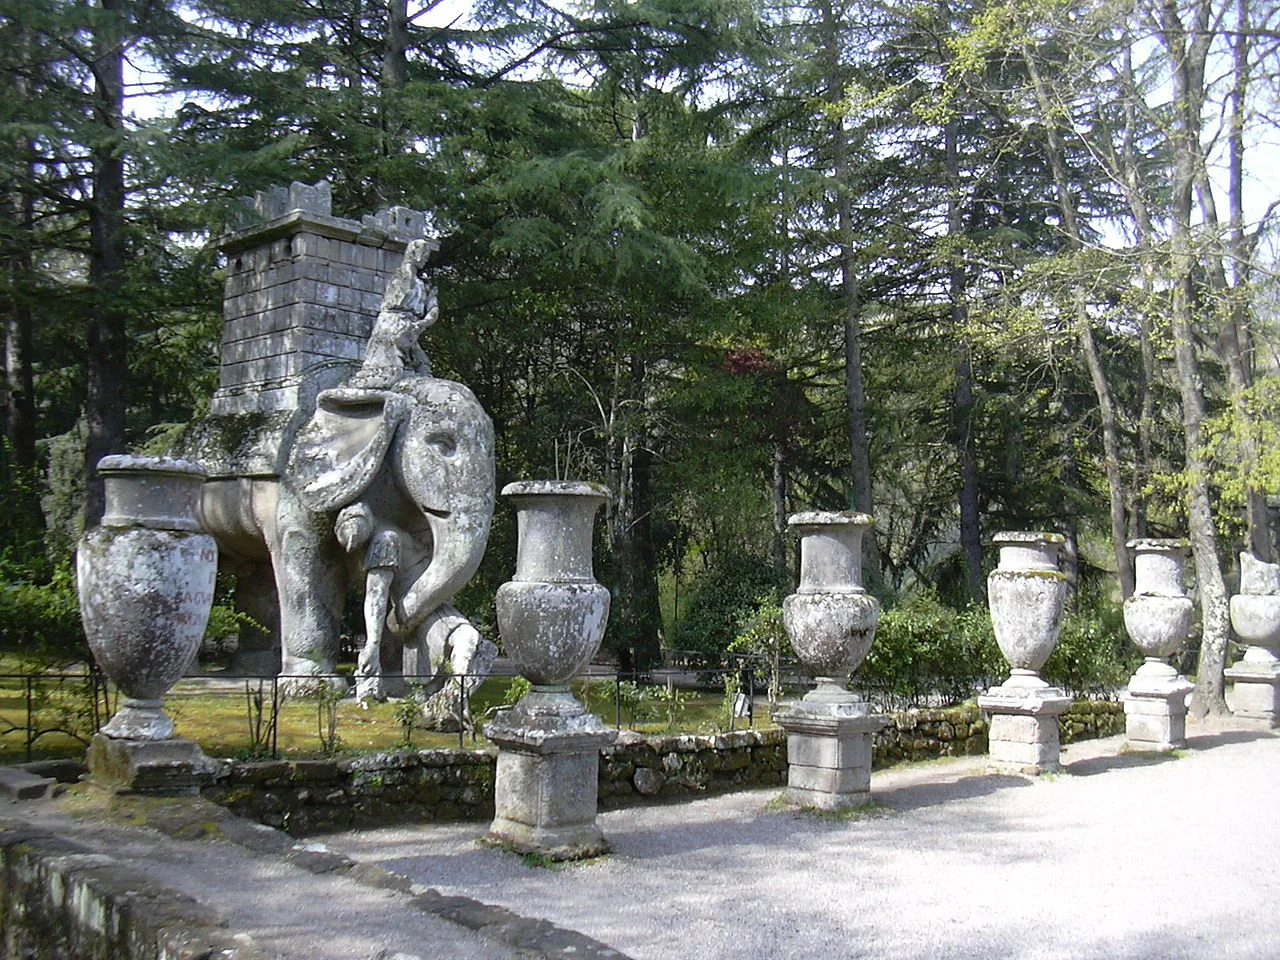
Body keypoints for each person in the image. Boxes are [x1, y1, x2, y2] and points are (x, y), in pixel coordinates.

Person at [334, 501, 402, 701]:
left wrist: (373, 643)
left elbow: (376, 592)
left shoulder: (385, 539)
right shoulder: (381, 537)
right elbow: (376, 593)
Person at [351, 238, 436, 388]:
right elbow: (393, 305)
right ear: (414, 253)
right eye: (423, 254)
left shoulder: (421, 284)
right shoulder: (403, 276)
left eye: (427, 256)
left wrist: (423, 321)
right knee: (391, 369)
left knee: (422, 366)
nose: (425, 259)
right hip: (393, 325)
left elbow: (432, 311)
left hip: (409, 328)